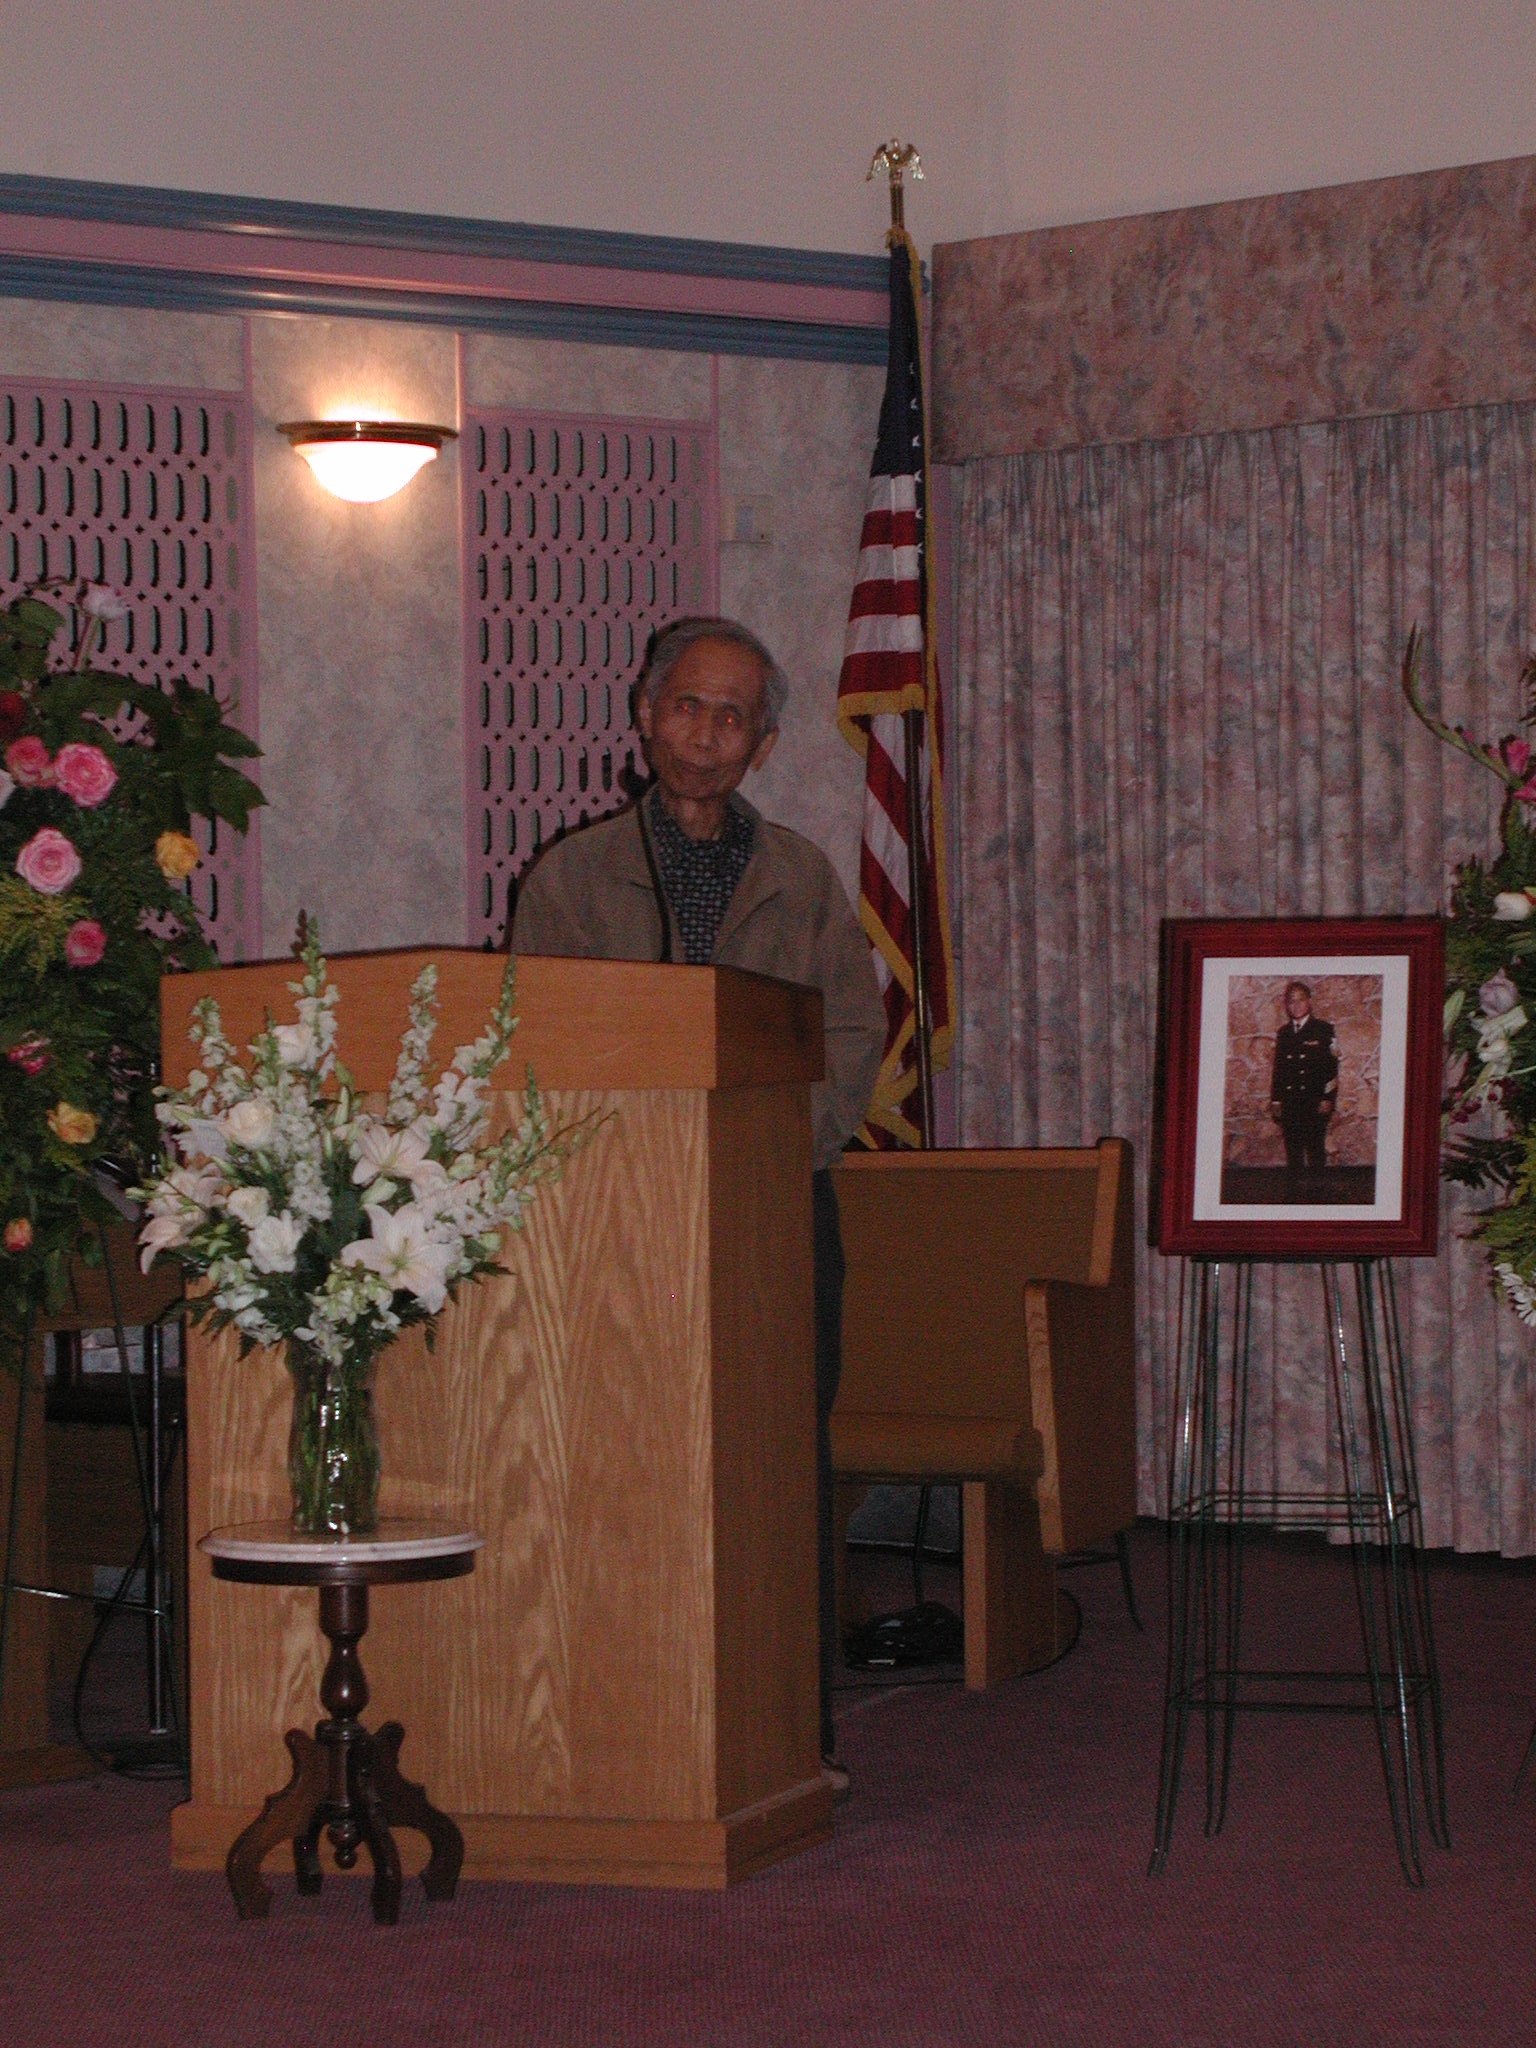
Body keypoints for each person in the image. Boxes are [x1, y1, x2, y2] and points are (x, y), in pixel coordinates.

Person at [511, 616, 885, 1794]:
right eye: (688, 705)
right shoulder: (570, 878)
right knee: (618, 1462)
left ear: (762, 745)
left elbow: (850, 1038)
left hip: (777, 1217)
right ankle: (622, 1724)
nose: (707, 733)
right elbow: (532, 1046)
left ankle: (790, 1727)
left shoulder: (803, 878)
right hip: (616, 1226)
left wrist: (771, 1157)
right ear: (644, 714)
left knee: (778, 1467)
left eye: (733, 717)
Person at [1268, 981, 1338, 1174]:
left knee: (1316, 1151)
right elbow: (1279, 1069)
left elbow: (1331, 1067)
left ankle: (1317, 1190)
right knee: (1293, 1152)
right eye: (1292, 1001)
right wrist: (1276, 1099)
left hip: (1314, 1100)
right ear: (1287, 1005)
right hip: (1290, 1101)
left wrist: (1328, 1098)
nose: (1296, 1005)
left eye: (1301, 1000)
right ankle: (1295, 1189)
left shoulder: (1323, 1030)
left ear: (1309, 1001)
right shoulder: (1284, 1033)